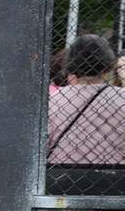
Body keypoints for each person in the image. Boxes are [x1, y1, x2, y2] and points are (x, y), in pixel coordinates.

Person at [47, 34, 125, 167]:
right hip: (117, 175)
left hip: (60, 175)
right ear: (108, 69)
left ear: (70, 68)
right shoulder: (122, 98)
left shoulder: (52, 100)